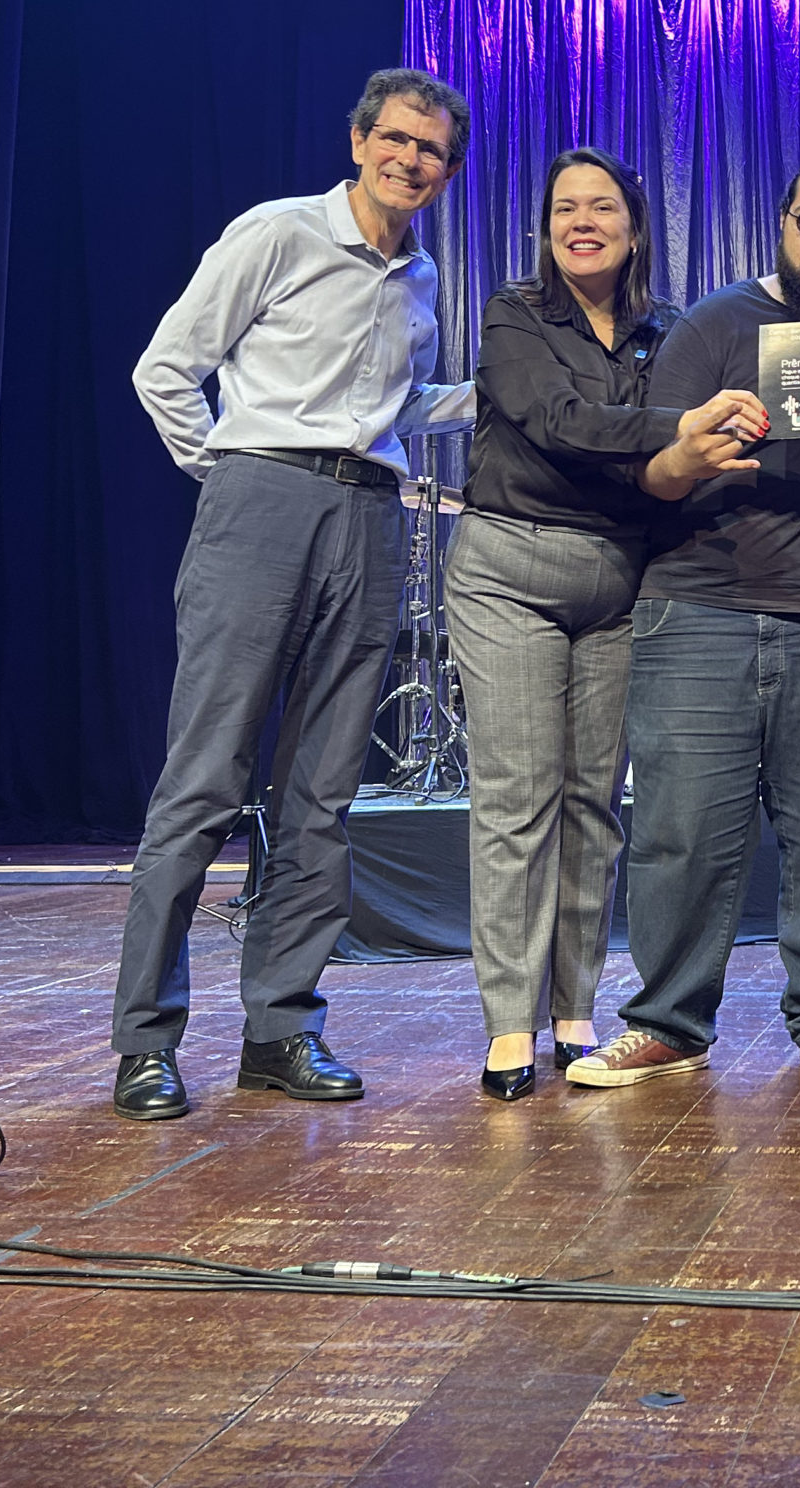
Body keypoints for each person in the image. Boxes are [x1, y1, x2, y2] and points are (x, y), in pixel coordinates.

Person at [111, 68, 479, 1121]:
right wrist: (229, 475)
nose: (411, 160)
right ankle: (145, 1040)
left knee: (322, 795)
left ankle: (281, 1028)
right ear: (359, 140)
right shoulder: (277, 232)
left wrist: (501, 396)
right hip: (261, 502)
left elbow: (394, 402)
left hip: (369, 514)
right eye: (396, 139)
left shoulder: (421, 277)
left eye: (432, 150)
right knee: (204, 782)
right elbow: (165, 369)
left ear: (448, 172)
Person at [566, 154, 800, 1092]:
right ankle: (666, 1022)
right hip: (698, 610)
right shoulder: (715, 323)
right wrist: (692, 453)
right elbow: (652, 474)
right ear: (783, 225)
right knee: (677, 834)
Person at [450, 149, 767, 1101]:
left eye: (600, 208)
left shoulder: (668, 329)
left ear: (635, 227)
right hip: (511, 569)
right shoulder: (514, 313)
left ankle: (573, 1011)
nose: (580, 223)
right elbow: (556, 419)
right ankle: (509, 1024)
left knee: (594, 805)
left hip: (624, 575)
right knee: (518, 798)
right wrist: (677, 426)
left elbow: (671, 455)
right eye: (564, 208)